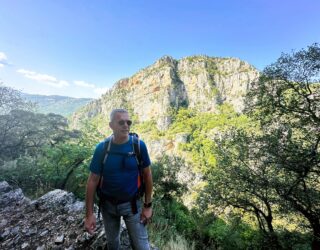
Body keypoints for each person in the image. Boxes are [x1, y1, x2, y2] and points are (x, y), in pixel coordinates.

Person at [85, 108, 153, 250]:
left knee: (141, 247)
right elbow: (92, 180)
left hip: (133, 206)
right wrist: (89, 214)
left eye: (128, 122)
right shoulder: (102, 149)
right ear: (111, 125)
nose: (126, 125)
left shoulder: (139, 146)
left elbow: (147, 175)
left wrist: (147, 206)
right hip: (107, 206)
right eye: (121, 122)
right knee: (113, 244)